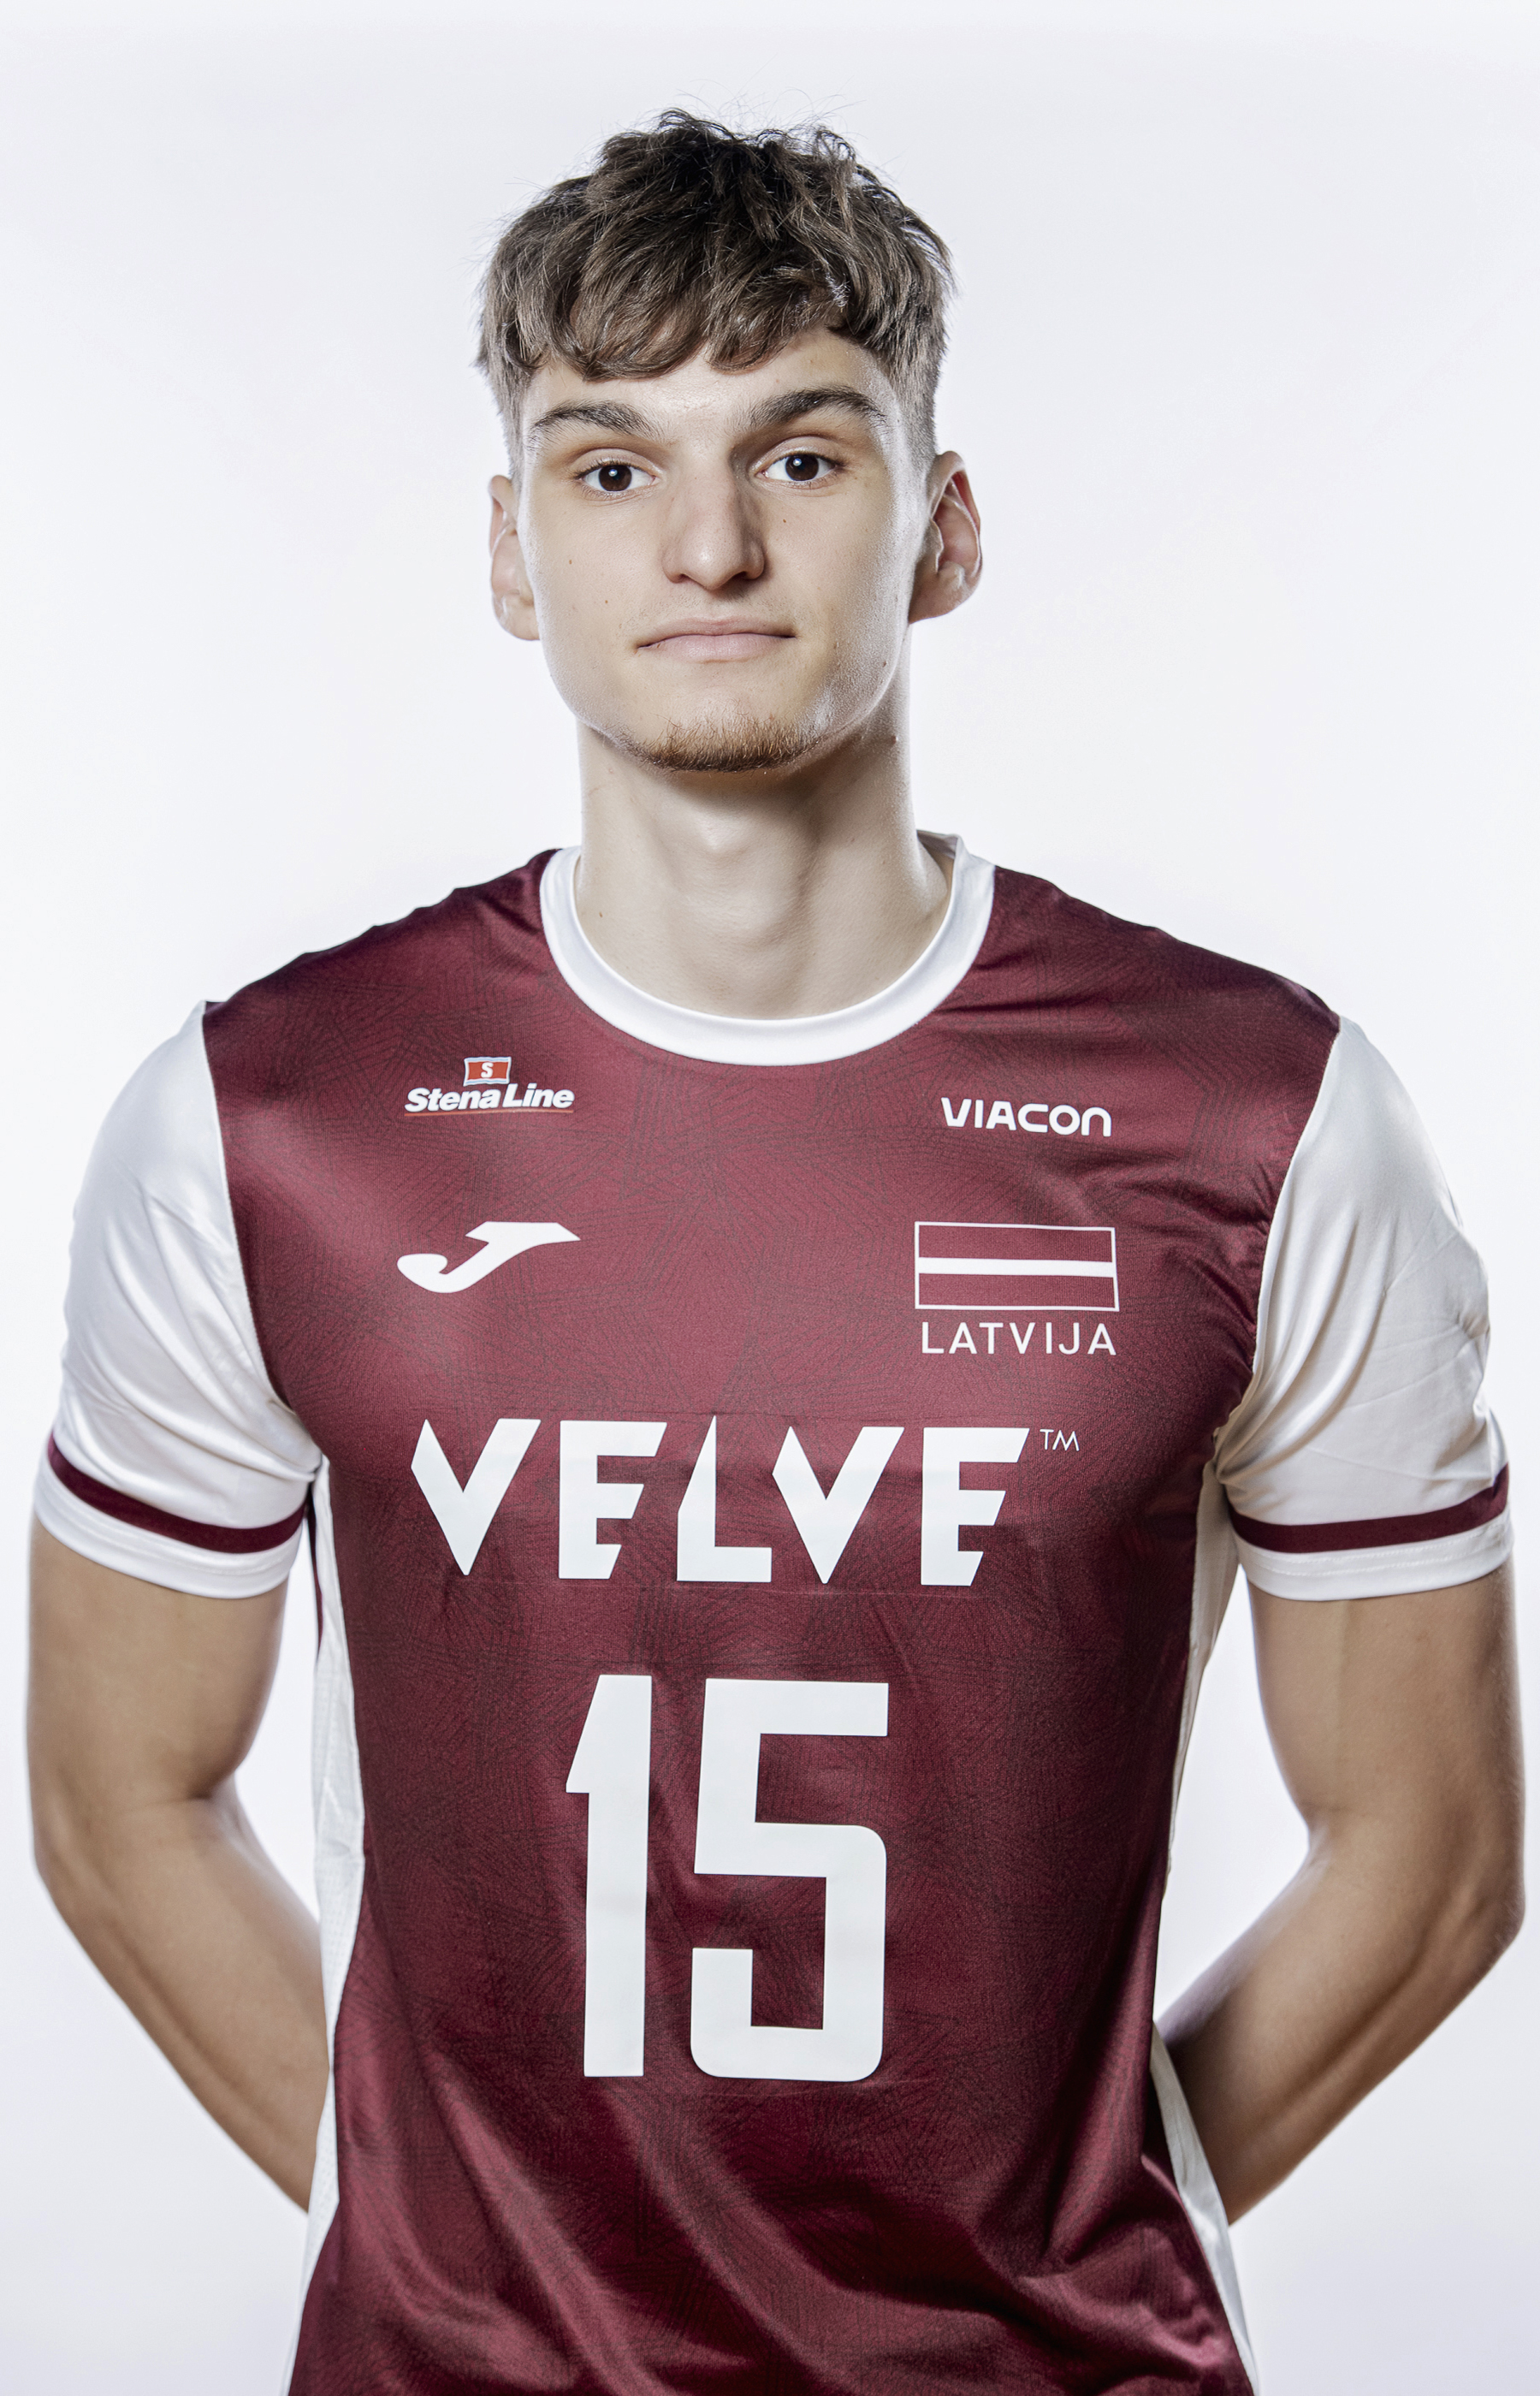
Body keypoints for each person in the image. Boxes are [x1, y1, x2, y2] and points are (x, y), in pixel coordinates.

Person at [27, 113, 1522, 2395]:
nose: (709, 543)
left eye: (801, 457)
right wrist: (439, 2246)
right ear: (512, 550)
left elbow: (1430, 1854)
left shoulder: (1262, 1120)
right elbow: (115, 1800)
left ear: (946, 523)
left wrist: (1085, 2234)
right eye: (610, 465)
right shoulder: (267, 1124)